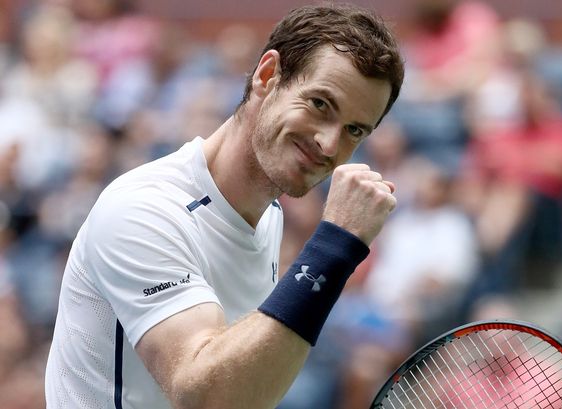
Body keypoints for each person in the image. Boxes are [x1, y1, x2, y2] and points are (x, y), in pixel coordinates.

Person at [44, 4, 404, 409]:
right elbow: (207, 396)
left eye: (354, 130)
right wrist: (336, 246)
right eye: (320, 104)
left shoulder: (268, 218)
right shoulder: (144, 210)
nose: (329, 144)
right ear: (267, 76)